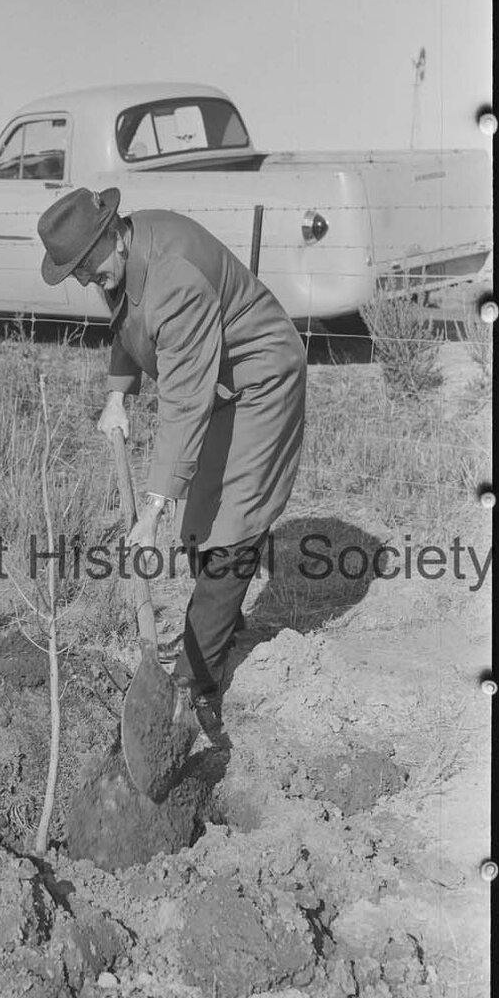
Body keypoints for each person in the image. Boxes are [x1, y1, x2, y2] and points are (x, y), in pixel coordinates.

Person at [37, 185, 306, 740]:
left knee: (232, 531)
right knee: (200, 522)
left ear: (112, 232)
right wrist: (118, 394)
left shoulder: (173, 275)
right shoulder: (126, 254)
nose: (88, 280)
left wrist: (153, 507)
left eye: (87, 266)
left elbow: (183, 403)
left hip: (258, 383)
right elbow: (129, 323)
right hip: (216, 386)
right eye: (77, 273)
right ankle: (216, 626)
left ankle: (194, 684)